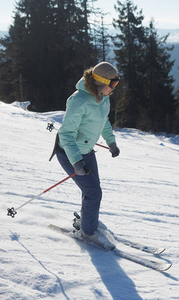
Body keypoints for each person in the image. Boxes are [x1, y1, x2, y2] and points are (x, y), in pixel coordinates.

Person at [51, 62, 120, 249]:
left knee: (92, 189)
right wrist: (77, 162)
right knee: (93, 192)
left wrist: (111, 142)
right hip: (69, 153)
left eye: (116, 85)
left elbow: (104, 121)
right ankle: (88, 232)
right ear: (100, 82)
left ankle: (87, 221)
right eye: (112, 85)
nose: (114, 89)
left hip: (87, 152)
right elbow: (65, 135)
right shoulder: (78, 100)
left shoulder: (103, 97)